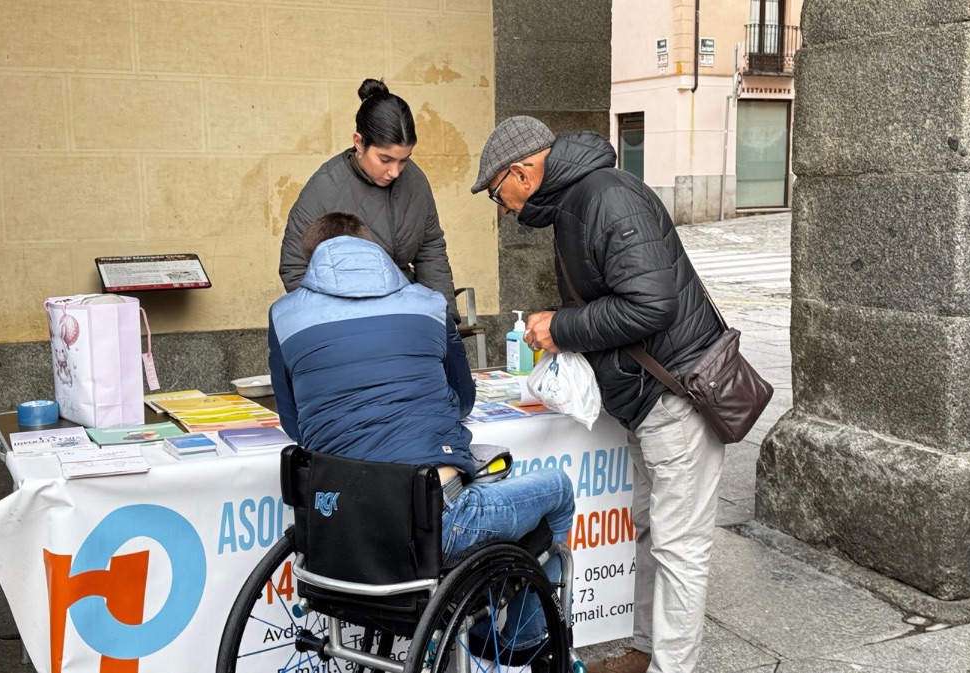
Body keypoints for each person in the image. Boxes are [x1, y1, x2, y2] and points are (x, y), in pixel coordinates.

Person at [470, 117, 727, 673]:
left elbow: (651, 305)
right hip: (648, 396)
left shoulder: (608, 197)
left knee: (680, 549)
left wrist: (561, 328)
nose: (504, 208)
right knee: (651, 533)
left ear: (521, 172)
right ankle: (642, 650)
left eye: (498, 193)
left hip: (676, 394)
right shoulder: (577, 200)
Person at [268, 211, 574, 657]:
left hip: (337, 530)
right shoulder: (428, 303)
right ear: (375, 249)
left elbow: (295, 424)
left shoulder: (284, 316)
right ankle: (524, 641)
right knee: (557, 489)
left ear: (309, 260)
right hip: (434, 521)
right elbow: (462, 397)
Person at [279, 78, 458, 319]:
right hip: (346, 322)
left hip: (408, 314)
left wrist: (445, 319)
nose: (395, 171)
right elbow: (295, 267)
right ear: (359, 143)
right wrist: (338, 323)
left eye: (403, 160)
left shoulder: (415, 181)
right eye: (385, 159)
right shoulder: (324, 189)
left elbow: (430, 250)